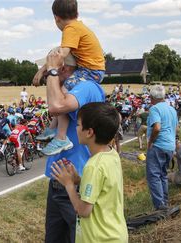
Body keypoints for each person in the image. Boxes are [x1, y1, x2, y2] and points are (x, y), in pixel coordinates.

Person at [43, 41, 105, 242]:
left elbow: (56, 107)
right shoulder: (68, 87)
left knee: (77, 238)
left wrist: (52, 75)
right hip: (59, 180)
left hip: (75, 180)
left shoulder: (86, 87)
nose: (46, 73)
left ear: (65, 67)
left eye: (51, 67)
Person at [33, 0, 105, 156]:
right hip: (92, 69)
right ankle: (53, 129)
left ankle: (61, 137)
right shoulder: (78, 27)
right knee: (62, 92)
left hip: (90, 71)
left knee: (62, 95)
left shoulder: (70, 28)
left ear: (56, 18)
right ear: (77, 14)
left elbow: (62, 54)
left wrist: (43, 71)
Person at [51, 102, 127, 243]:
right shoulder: (112, 154)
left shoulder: (93, 166)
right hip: (115, 234)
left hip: (100, 238)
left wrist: (68, 185)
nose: (76, 128)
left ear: (89, 132)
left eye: (78, 125)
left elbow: (83, 211)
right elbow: (103, 186)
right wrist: (79, 180)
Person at [146, 84, 178, 210]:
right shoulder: (172, 109)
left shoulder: (155, 109)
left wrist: (151, 142)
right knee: (163, 175)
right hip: (170, 145)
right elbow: (176, 128)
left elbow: (157, 127)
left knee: (154, 176)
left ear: (152, 97)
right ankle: (165, 202)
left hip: (158, 145)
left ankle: (160, 207)